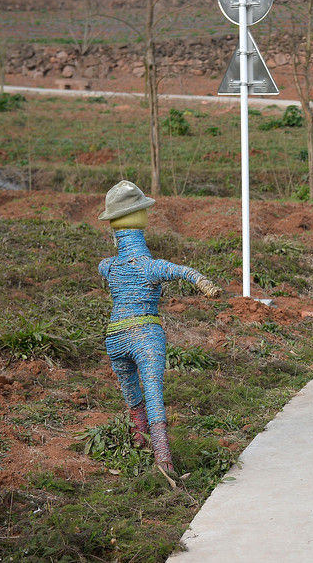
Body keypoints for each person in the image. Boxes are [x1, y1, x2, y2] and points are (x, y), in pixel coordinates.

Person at [97, 180, 223, 480]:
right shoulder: (151, 266)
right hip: (145, 335)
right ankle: (163, 459)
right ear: (142, 217)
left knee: (132, 395)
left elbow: (105, 265)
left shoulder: (108, 266)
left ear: (112, 223)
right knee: (153, 395)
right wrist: (205, 284)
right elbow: (184, 272)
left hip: (114, 336)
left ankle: (139, 441)